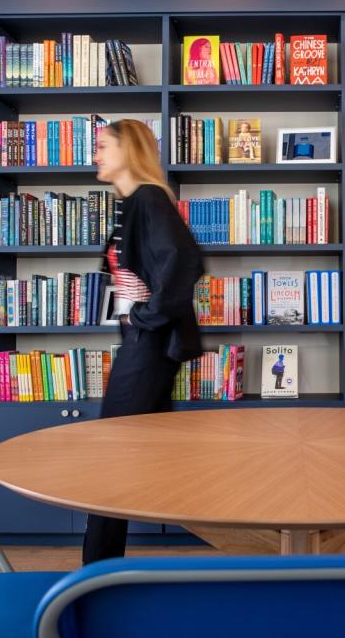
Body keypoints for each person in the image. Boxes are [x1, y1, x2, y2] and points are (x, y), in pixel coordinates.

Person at [83, 119, 204, 565]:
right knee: (143, 454)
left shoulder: (148, 199)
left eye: (102, 146)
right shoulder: (133, 204)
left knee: (112, 451)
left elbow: (184, 261)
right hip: (140, 339)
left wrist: (144, 316)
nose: (95, 154)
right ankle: (104, 567)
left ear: (127, 150)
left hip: (147, 341)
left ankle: (95, 569)